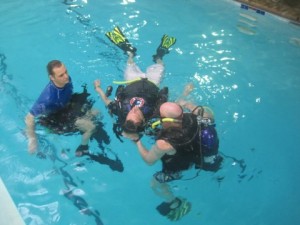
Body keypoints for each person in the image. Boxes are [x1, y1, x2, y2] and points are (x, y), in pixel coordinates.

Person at [131, 101, 223, 221]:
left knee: (155, 184)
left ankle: (175, 203)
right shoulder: (195, 118)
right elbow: (210, 117)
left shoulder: (164, 144)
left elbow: (149, 161)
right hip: (196, 155)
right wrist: (188, 104)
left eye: (160, 116)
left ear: (167, 120)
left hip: (179, 167)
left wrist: (137, 141)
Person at [94, 26, 176, 141]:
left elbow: (107, 101)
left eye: (131, 113)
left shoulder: (121, 111)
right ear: (142, 121)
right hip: (153, 82)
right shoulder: (153, 115)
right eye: (136, 113)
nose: (134, 109)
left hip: (132, 80)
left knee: (130, 63)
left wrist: (98, 89)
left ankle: (131, 53)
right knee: (161, 66)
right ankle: (159, 55)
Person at [25, 60, 109, 156]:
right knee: (90, 127)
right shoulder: (47, 98)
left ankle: (86, 130)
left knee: (97, 112)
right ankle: (83, 148)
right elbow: (29, 117)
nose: (66, 76)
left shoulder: (67, 79)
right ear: (52, 77)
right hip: (57, 117)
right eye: (61, 75)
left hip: (67, 106)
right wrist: (32, 139)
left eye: (66, 72)